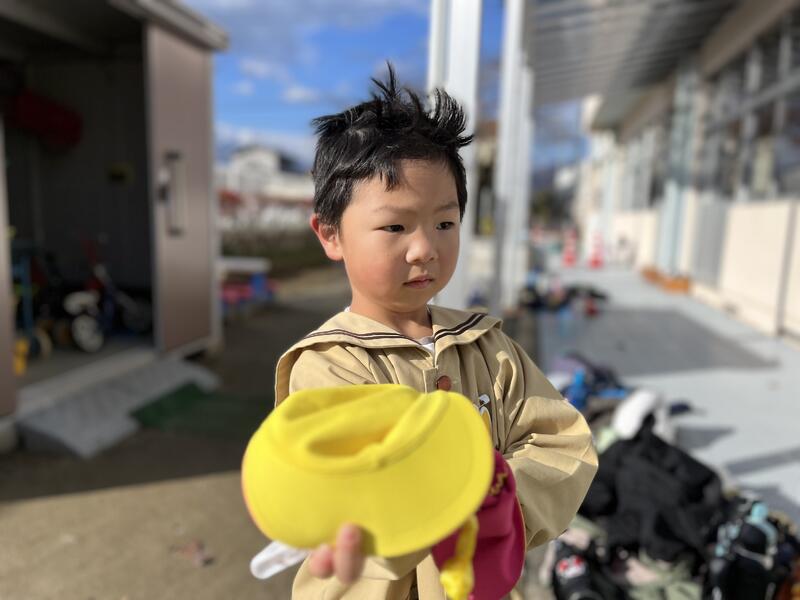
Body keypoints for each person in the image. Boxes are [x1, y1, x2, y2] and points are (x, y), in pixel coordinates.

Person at [271, 66, 598, 599]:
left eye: (445, 223)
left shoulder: (488, 346)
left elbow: (563, 442)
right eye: (395, 226)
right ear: (330, 235)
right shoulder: (329, 365)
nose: (425, 248)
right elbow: (347, 498)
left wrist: (501, 501)